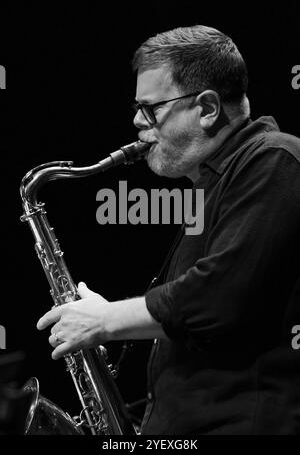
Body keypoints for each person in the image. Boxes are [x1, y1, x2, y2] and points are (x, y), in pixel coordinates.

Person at [37, 25, 300, 435]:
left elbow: (216, 299)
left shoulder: (276, 160)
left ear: (208, 108)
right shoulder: (214, 185)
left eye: (151, 108)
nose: (137, 121)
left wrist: (106, 319)